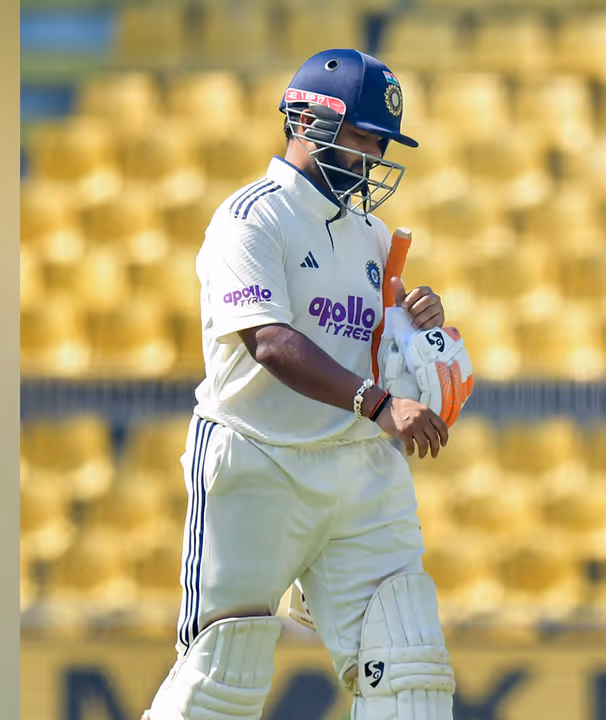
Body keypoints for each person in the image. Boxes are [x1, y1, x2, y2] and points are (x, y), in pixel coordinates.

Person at [143, 49, 457, 720]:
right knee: (221, 680)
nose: (375, 156)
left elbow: (375, 347)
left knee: (410, 673)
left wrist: (415, 320)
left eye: (382, 142)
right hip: (259, 459)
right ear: (311, 122)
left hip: (357, 465)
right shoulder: (250, 218)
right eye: (366, 137)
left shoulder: (373, 234)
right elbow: (271, 343)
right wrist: (377, 403)